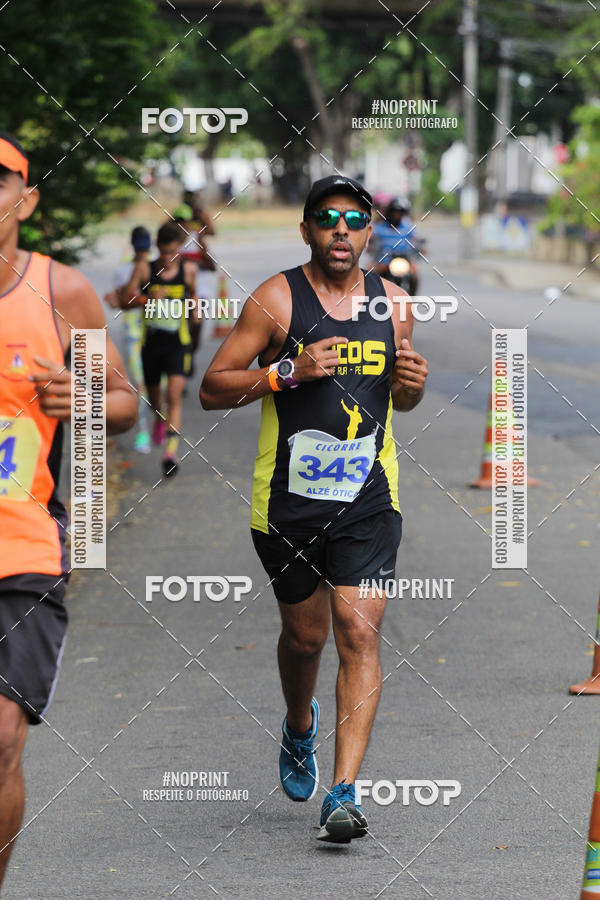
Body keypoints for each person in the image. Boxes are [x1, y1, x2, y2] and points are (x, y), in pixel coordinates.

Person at [200, 175, 428, 842]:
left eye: (354, 219)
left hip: (369, 501)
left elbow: (401, 402)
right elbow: (214, 388)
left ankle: (344, 792)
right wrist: (284, 374)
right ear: (305, 230)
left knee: (359, 632)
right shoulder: (276, 299)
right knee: (306, 639)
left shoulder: (395, 305)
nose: (340, 229)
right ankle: (299, 726)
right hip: (288, 506)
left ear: (368, 233)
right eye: (326, 218)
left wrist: (412, 387)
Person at [0, 132, 137, 888]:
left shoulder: (62, 291)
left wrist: (83, 396)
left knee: (1, 739)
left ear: (26, 199)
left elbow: (122, 400)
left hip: (21, 552)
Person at [121, 222, 198, 478]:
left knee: (174, 396)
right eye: (164, 253)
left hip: (178, 343)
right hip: (151, 345)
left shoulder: (188, 270)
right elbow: (124, 300)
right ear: (157, 249)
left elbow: (194, 296)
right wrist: (145, 299)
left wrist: (196, 312)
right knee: (157, 401)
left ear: (180, 250)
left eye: (172, 253)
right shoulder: (145, 269)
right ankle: (158, 419)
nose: (167, 258)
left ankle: (170, 453)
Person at [103, 226, 153, 453]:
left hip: (154, 333)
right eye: (139, 248)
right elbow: (117, 301)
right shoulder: (123, 271)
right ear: (133, 246)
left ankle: (162, 424)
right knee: (140, 383)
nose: (142, 253)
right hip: (132, 334)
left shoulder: (157, 267)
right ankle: (143, 432)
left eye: (145, 248)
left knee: (156, 384)